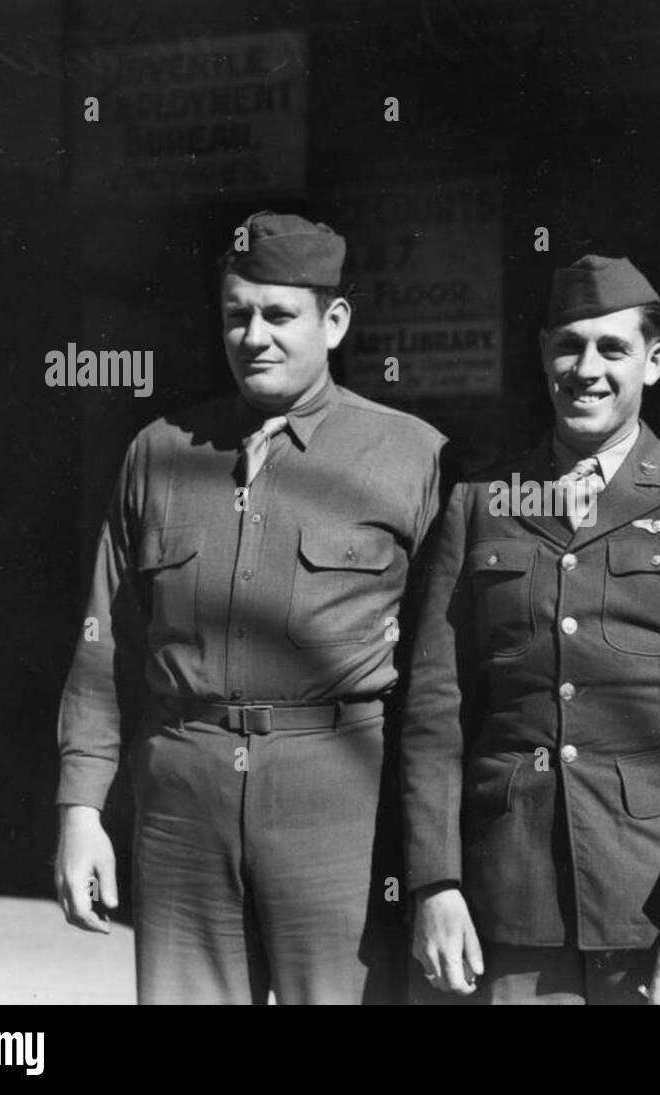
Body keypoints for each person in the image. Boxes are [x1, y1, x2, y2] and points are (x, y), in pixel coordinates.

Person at [53, 210, 447, 1004]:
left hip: (337, 800)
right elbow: (107, 644)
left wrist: (439, 861)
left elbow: (442, 676)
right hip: (182, 791)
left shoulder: (413, 455)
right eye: (237, 314)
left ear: (334, 321)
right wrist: (80, 806)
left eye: (279, 314)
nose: (254, 335)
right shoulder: (159, 450)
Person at [400, 254, 660, 1004]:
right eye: (568, 345)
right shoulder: (480, 502)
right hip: (508, 903)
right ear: (542, 353)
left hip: (655, 908)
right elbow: (435, 709)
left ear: (656, 361)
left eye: (613, 348)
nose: (586, 369)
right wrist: (434, 881)